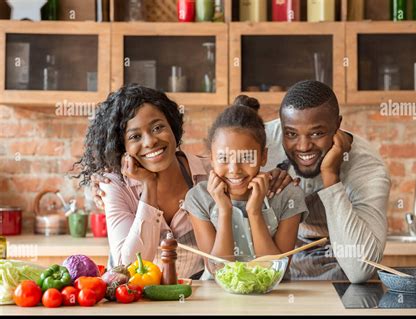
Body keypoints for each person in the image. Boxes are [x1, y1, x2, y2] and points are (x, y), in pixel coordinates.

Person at [80, 85, 294, 277]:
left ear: (172, 126)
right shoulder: (114, 186)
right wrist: (149, 187)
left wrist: (278, 172)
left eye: (157, 128)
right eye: (135, 136)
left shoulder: (211, 174)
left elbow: (250, 154)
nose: (151, 141)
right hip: (135, 299)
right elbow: (128, 268)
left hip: (196, 296)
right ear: (121, 146)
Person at [263, 80, 391, 283]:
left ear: (337, 125)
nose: (303, 146)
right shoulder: (263, 142)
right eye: (291, 134)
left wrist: (331, 177)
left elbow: (360, 270)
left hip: (341, 275)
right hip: (273, 271)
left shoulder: (367, 169)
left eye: (317, 133)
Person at [182, 103, 308, 275]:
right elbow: (218, 271)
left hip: (273, 298)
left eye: (247, 157)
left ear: (263, 157)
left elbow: (274, 271)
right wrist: (225, 211)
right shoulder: (198, 198)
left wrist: (255, 212)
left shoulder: (287, 195)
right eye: (224, 158)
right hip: (216, 297)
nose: (234, 169)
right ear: (211, 158)